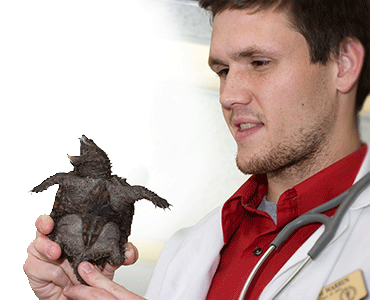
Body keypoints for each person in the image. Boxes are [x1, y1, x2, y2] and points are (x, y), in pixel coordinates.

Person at [24, 0, 370, 299]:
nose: (228, 95)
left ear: (343, 64)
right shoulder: (187, 251)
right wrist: (77, 289)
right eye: (223, 70)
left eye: (259, 63)